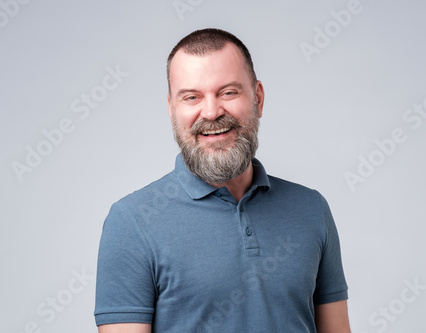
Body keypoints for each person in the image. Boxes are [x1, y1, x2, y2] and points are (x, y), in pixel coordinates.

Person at [94, 28, 350, 333]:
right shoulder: (131, 222)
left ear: (258, 98)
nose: (212, 111)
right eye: (192, 97)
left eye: (228, 92)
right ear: (172, 109)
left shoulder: (311, 209)